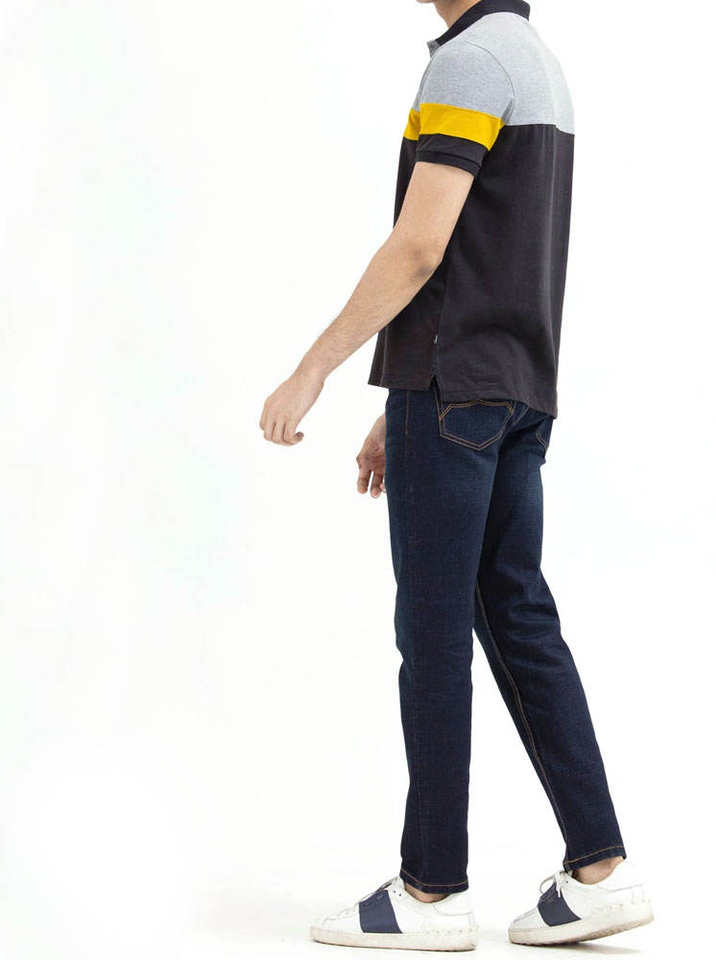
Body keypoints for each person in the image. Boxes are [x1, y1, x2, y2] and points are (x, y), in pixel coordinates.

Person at [259, 0, 652, 949]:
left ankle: (430, 892)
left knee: (433, 632)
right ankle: (601, 870)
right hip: (510, 389)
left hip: (453, 392)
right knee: (518, 615)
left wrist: (315, 368)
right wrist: (398, 398)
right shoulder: (536, 61)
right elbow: (488, 256)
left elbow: (421, 244)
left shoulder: (471, 62)